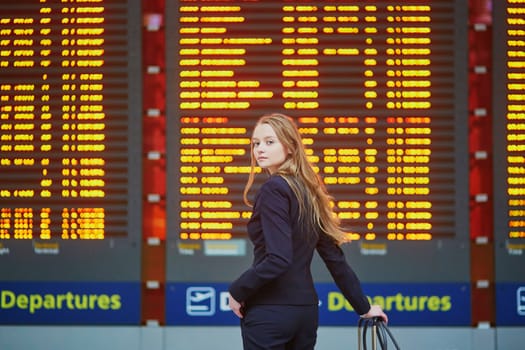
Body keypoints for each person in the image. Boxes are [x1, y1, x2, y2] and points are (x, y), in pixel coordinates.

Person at [228, 113, 388, 350]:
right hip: (305, 315)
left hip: (270, 312)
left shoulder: (273, 189)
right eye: (256, 143)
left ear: (291, 147)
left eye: (269, 142)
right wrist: (363, 307)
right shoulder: (309, 193)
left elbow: (278, 258)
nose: (260, 149)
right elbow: (335, 259)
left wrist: (237, 290)